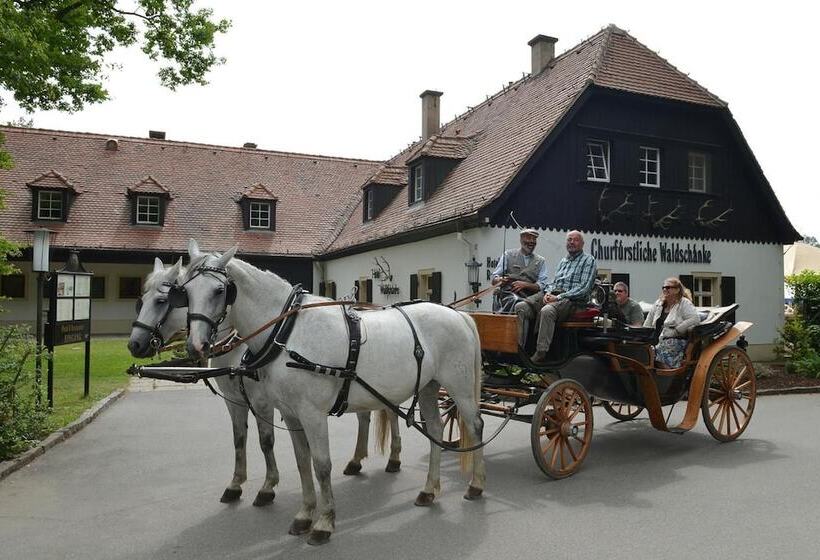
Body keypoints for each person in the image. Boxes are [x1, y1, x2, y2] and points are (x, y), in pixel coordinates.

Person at [517, 230, 597, 364]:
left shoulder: (588, 260)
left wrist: (558, 297)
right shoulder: (563, 261)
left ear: (582, 244)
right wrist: (548, 292)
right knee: (521, 307)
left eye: (575, 240)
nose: (571, 242)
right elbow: (554, 282)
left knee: (547, 311)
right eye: (569, 240)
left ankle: (541, 353)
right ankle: (520, 348)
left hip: (573, 301)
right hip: (555, 294)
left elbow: (583, 289)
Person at [643, 277, 700, 368]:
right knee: (643, 350)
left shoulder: (684, 303)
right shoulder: (658, 304)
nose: (665, 289)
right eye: (664, 287)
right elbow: (648, 321)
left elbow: (694, 319)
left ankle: (667, 377)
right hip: (657, 338)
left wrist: (677, 330)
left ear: (677, 290)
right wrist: (643, 335)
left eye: (668, 287)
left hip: (676, 339)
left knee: (659, 352)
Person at [490, 228, 548, 313]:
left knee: (521, 304)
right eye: (528, 238)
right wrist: (499, 280)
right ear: (521, 240)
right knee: (514, 300)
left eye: (534, 239)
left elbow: (543, 285)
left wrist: (526, 285)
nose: (531, 241)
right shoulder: (508, 255)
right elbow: (494, 278)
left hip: (530, 297)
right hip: (508, 294)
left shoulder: (541, 261)